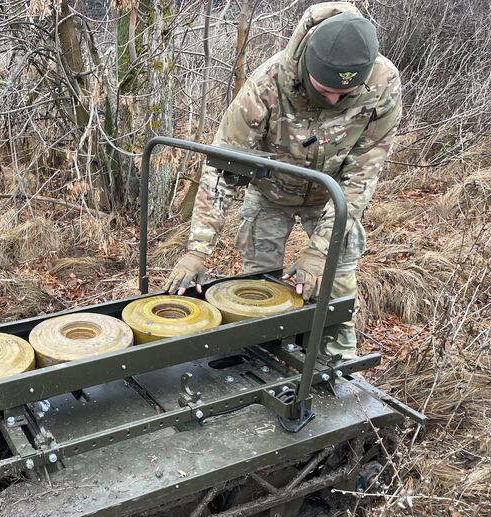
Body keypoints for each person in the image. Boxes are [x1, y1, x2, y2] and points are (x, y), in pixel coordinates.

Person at [166, 2, 402, 360]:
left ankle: (335, 363)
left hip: (334, 199)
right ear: (307, 66)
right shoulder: (267, 84)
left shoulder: (383, 84)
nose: (335, 100)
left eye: (345, 94)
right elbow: (221, 167)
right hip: (270, 192)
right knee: (258, 282)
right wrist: (197, 250)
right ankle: (263, 355)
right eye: (324, 91)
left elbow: (362, 175)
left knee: (336, 280)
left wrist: (319, 251)